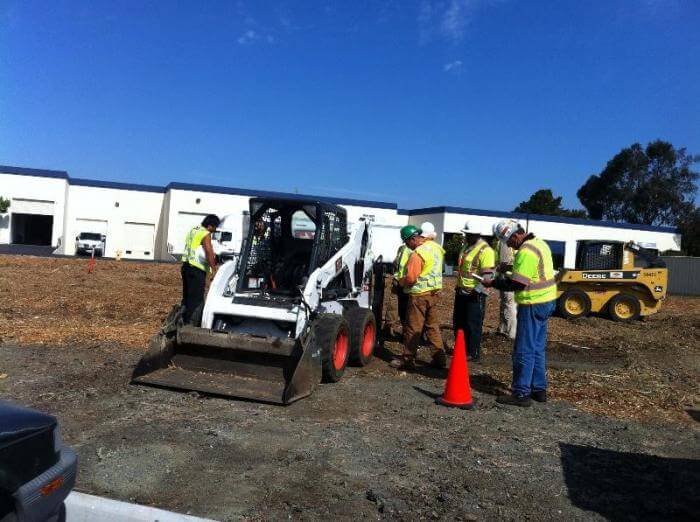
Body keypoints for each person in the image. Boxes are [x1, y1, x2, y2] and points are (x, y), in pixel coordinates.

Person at [484, 220, 557, 407]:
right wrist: (508, 269)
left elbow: (517, 284)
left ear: (515, 235)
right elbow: (532, 272)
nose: (508, 245)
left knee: (523, 349)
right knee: (537, 348)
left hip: (532, 303)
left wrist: (493, 283)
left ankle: (521, 393)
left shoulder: (525, 252)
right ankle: (539, 389)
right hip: (547, 301)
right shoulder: (539, 243)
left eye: (508, 241)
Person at [390, 225, 447, 370]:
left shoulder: (417, 254)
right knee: (432, 327)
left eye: (407, 242)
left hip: (419, 296)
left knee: (413, 328)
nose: (407, 245)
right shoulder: (436, 248)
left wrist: (400, 281)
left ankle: (408, 360)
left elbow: (411, 278)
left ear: (413, 239)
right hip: (433, 293)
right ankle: (439, 359)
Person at [453, 221, 495, 362]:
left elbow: (487, 276)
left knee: (473, 324)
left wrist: (476, 291)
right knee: (459, 322)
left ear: (476, 235)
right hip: (462, 291)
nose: (466, 236)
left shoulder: (486, 251)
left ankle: (473, 352)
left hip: (475, 294)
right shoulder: (466, 247)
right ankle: (461, 349)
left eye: (468, 234)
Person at [181, 214, 220, 325]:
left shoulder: (194, 229)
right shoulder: (205, 234)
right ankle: (191, 324)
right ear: (210, 226)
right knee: (196, 299)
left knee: (187, 297)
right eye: (215, 227)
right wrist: (213, 269)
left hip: (186, 267)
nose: (215, 230)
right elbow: (208, 251)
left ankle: (182, 319)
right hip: (196, 269)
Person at [493, 221, 518, 340]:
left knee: (509, 304)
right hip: (510, 277)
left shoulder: (503, 243)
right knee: (507, 304)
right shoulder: (507, 241)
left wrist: (497, 272)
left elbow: (505, 262)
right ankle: (503, 328)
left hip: (508, 277)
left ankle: (510, 332)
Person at [390, 241, 412, 337]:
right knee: (404, 308)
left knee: (396, 306)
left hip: (399, 280)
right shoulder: (410, 250)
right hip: (403, 282)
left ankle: (391, 327)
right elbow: (403, 266)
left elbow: (395, 263)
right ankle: (405, 332)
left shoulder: (402, 248)